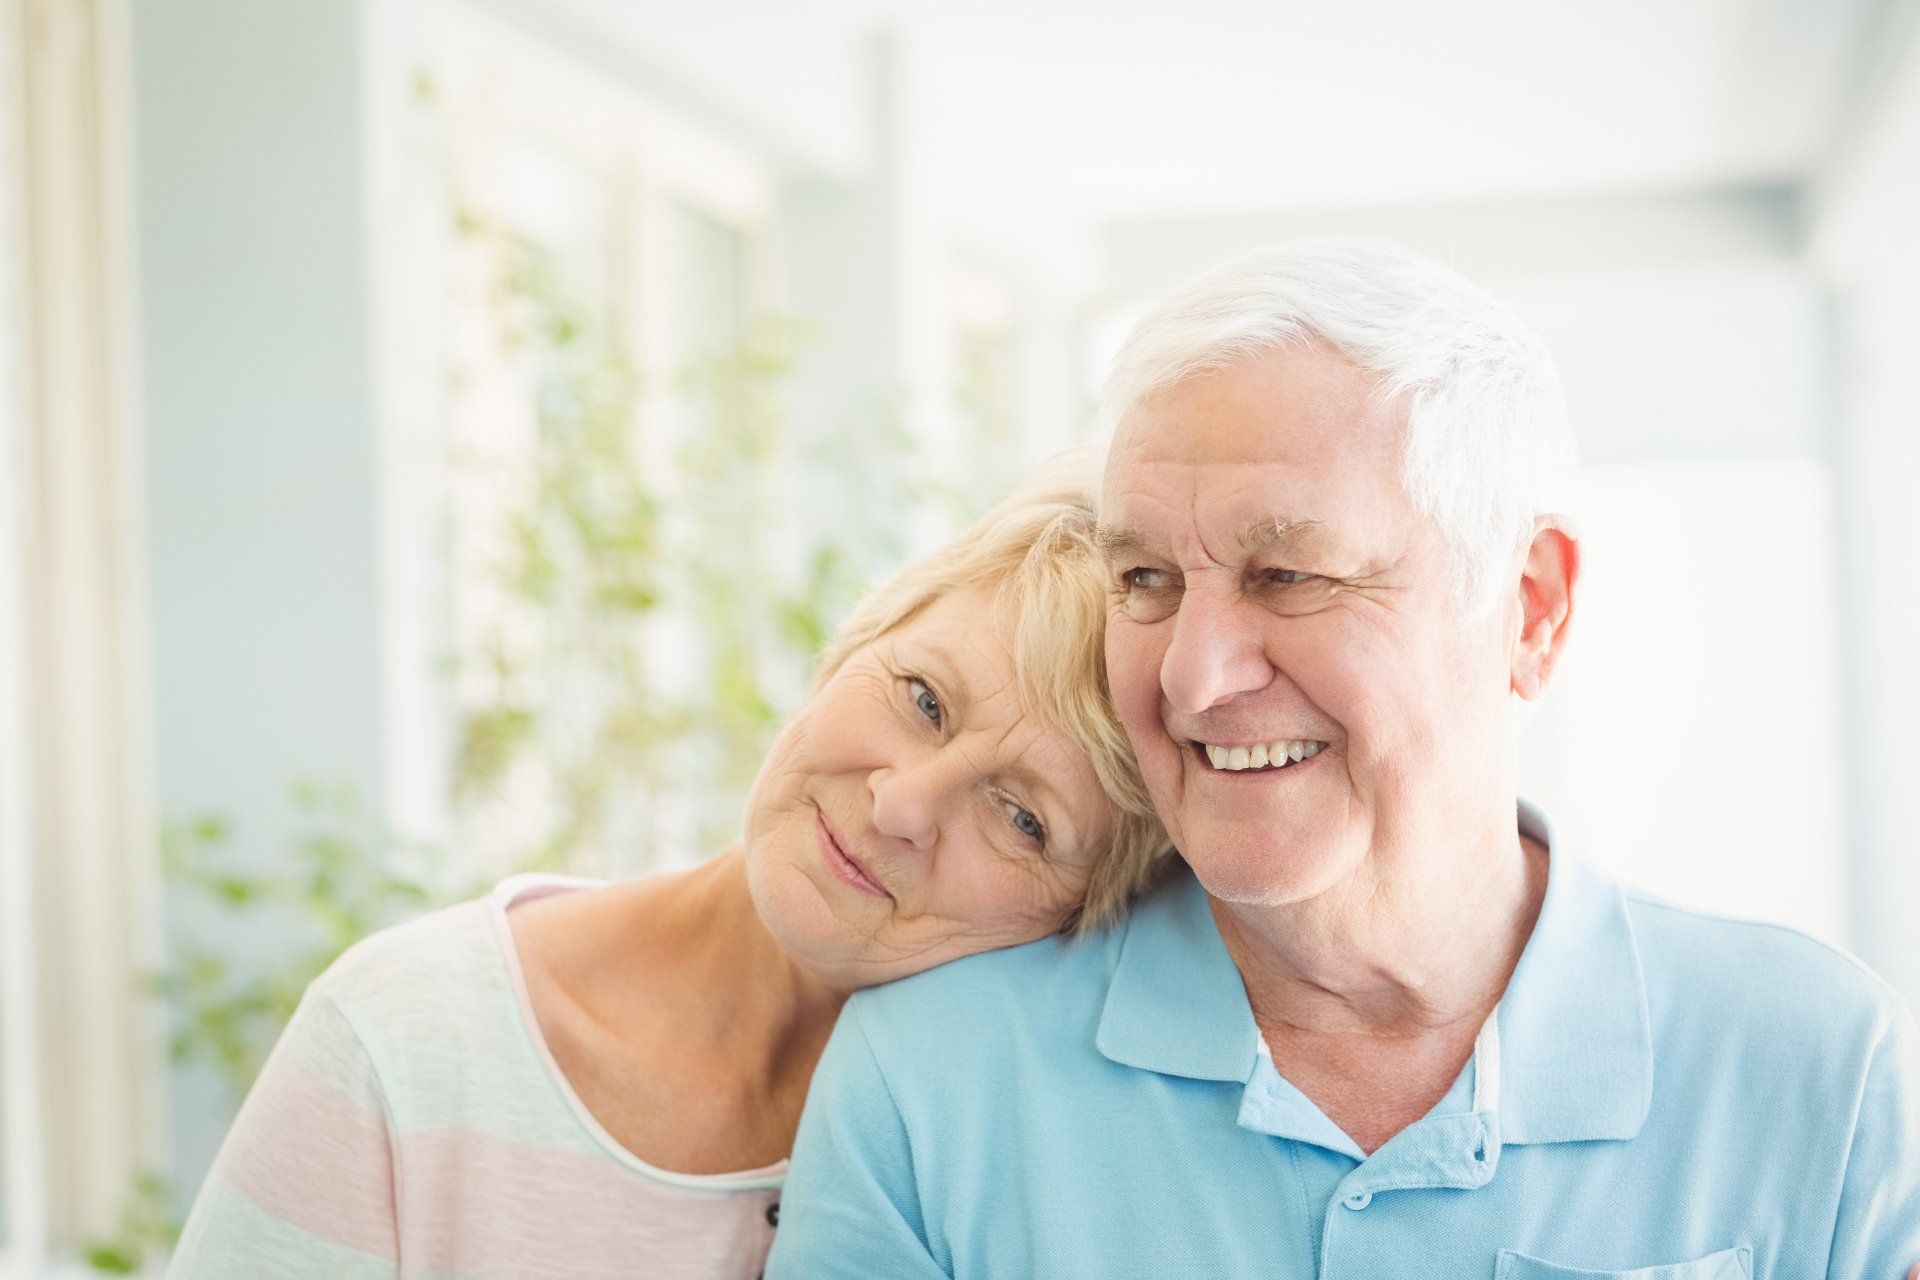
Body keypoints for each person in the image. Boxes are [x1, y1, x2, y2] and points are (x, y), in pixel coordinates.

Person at [768, 239, 1920, 1278]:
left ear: (1529, 609)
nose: (1191, 675)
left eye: (1289, 575)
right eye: (1147, 580)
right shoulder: (931, 1082)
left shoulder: (1817, 1063)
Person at [165, 460, 1169, 1279]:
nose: (901, 804)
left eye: (1020, 815)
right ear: (850, 645)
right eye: (922, 697)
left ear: (1086, 910)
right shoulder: (405, 1040)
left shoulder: (1014, 1155)